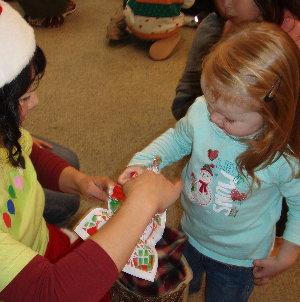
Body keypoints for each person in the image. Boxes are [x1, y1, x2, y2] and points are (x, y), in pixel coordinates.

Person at [0, 2, 182, 301]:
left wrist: (78, 180)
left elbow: (26, 151)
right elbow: (55, 292)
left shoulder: (5, 132)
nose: (35, 103)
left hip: (38, 240)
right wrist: (144, 201)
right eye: (24, 97)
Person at [119, 22, 300, 301]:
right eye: (211, 104)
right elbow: (178, 139)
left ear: (274, 113)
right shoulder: (204, 111)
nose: (214, 119)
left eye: (229, 118)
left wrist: (286, 256)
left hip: (239, 260)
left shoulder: (282, 158)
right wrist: (143, 162)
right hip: (190, 232)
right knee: (181, 290)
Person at [172, 0, 300, 120]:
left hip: (263, 119)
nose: (225, 5)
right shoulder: (228, 24)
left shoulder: (292, 38)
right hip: (221, 106)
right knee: (210, 23)